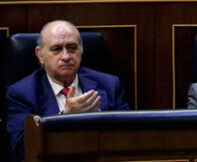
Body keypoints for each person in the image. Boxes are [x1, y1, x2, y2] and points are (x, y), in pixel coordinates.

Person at [6, 20, 128, 162]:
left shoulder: (110, 85)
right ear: (40, 55)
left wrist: (99, 121)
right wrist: (65, 119)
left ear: (81, 50)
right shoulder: (21, 94)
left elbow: (127, 139)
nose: (66, 56)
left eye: (72, 48)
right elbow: (21, 150)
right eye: (56, 49)